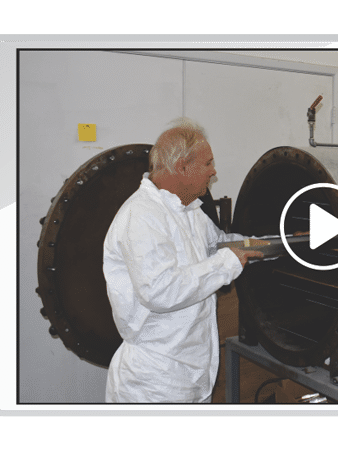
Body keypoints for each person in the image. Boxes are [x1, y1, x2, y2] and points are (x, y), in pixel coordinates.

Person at [102, 118, 262, 403]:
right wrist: (228, 263)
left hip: (191, 374)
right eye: (208, 164)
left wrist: (270, 244)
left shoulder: (188, 211)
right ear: (182, 167)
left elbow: (218, 246)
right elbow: (160, 291)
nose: (214, 172)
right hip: (154, 381)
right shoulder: (142, 216)